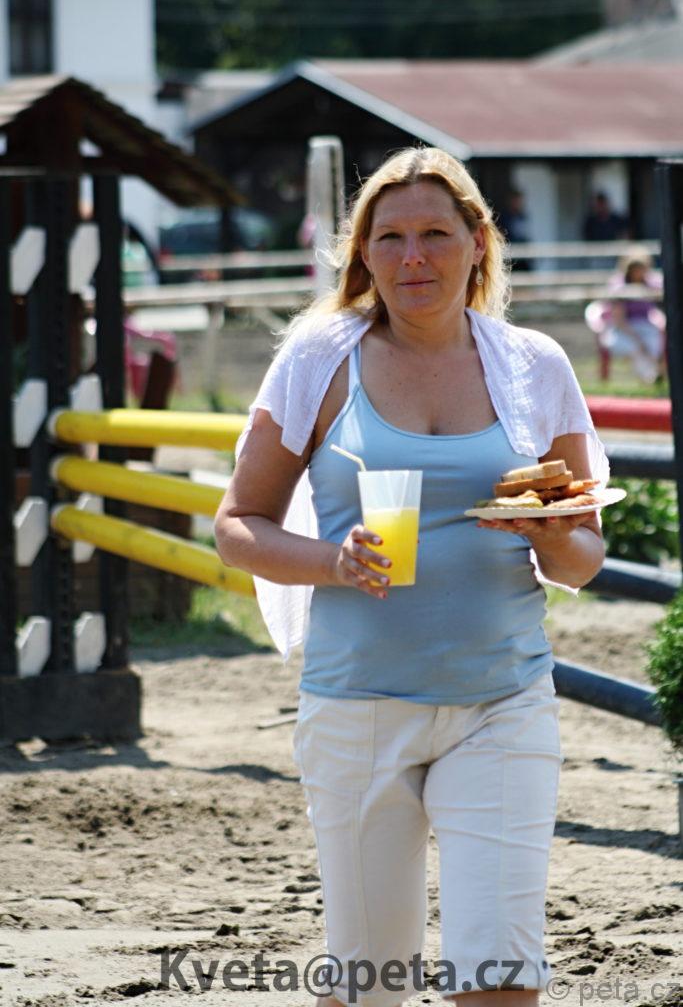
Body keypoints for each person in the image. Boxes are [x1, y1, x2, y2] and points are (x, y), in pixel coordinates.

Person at [214, 147, 609, 1007]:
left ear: (477, 243)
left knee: (499, 977)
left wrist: (549, 536)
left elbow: (584, 554)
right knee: (368, 982)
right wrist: (332, 561)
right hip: (355, 708)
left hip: (502, 703)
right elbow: (237, 525)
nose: (412, 257)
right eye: (388, 237)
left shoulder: (534, 365)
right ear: (362, 253)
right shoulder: (318, 360)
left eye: (434, 234)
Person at [602, 247, 666, 385]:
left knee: (653, 345)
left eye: (641, 268)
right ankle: (650, 378)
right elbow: (619, 320)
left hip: (646, 326)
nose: (638, 272)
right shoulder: (618, 287)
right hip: (622, 329)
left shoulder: (653, 283)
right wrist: (638, 340)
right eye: (635, 268)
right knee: (634, 348)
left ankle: (651, 377)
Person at [497, 189, 530, 271]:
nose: (518, 203)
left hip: (523, 255)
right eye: (516, 201)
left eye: (520, 201)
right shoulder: (504, 217)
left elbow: (524, 235)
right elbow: (500, 235)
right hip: (510, 255)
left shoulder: (522, 216)